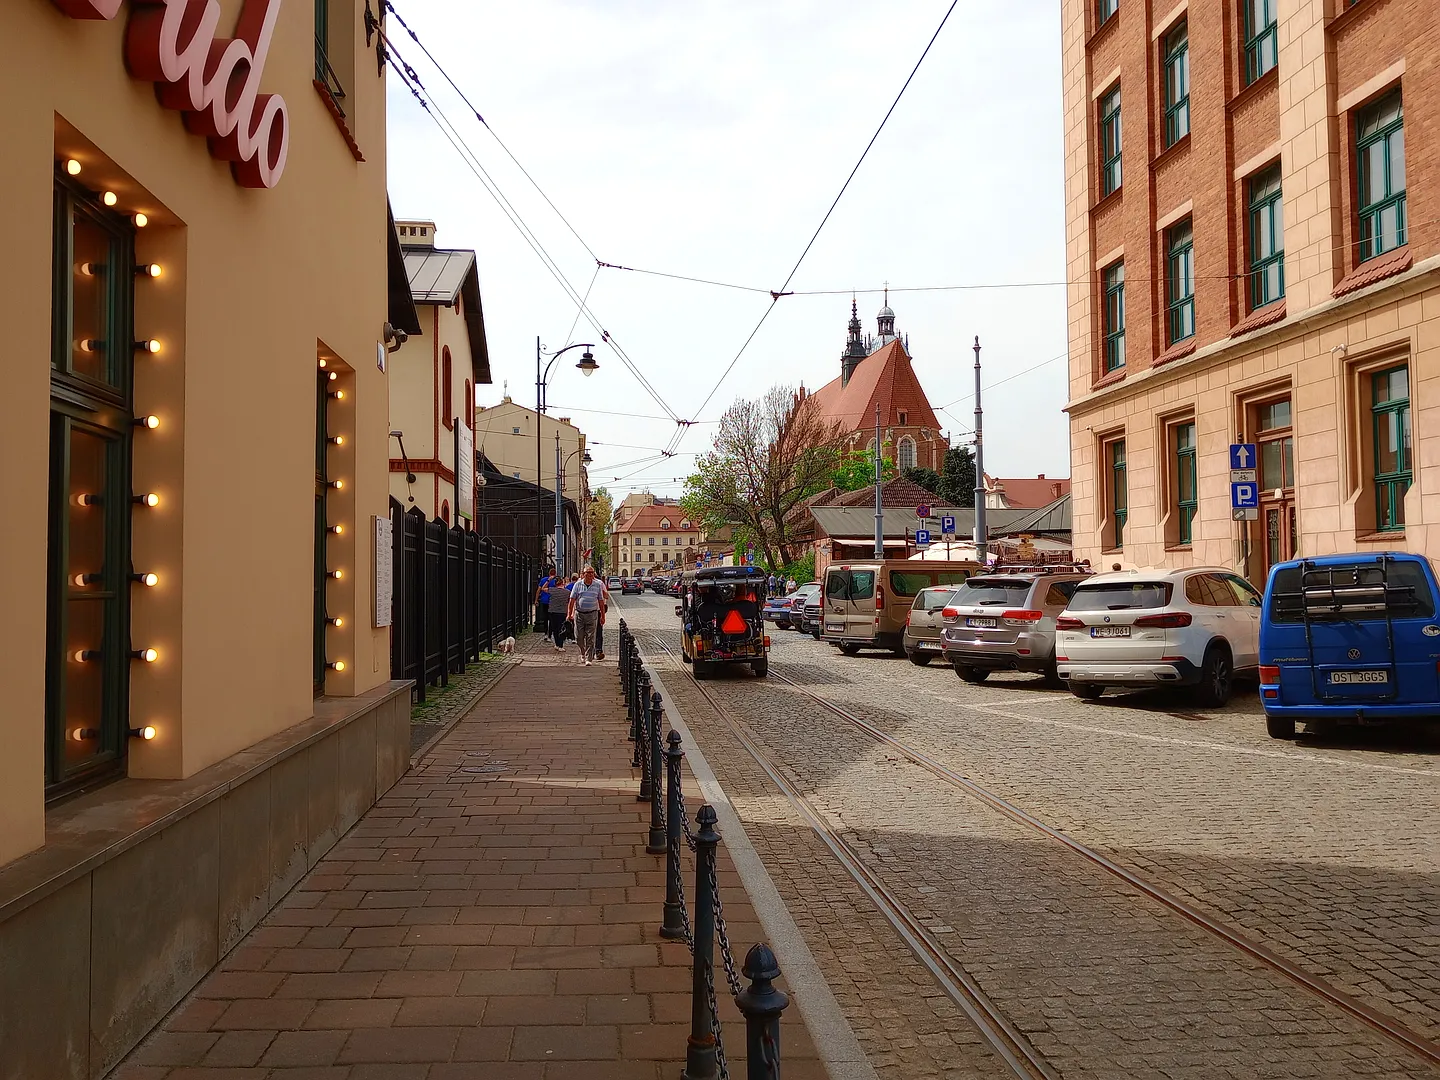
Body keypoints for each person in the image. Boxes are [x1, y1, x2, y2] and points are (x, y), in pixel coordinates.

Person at [568, 565, 607, 666]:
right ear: (583, 574)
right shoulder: (577, 585)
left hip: (592, 614)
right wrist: (569, 614)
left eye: (592, 572)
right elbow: (572, 600)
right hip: (579, 614)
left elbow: (601, 601)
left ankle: (589, 658)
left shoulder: (597, 585)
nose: (590, 574)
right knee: (578, 637)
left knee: (591, 637)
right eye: (588, 573)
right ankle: (582, 651)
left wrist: (603, 616)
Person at [546, 572, 573, 651]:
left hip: (552, 612)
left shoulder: (552, 590)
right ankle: (560, 645)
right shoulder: (567, 592)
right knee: (561, 628)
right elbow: (571, 600)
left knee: (554, 629)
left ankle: (557, 644)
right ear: (563, 583)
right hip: (562, 612)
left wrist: (548, 580)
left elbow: (542, 589)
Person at [535, 567, 556, 641]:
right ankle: (550, 634)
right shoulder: (555, 581)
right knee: (551, 619)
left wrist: (536, 600)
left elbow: (538, 590)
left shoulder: (543, 580)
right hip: (552, 601)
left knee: (545, 618)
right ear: (555, 574)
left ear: (549, 573)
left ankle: (545, 633)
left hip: (544, 601)